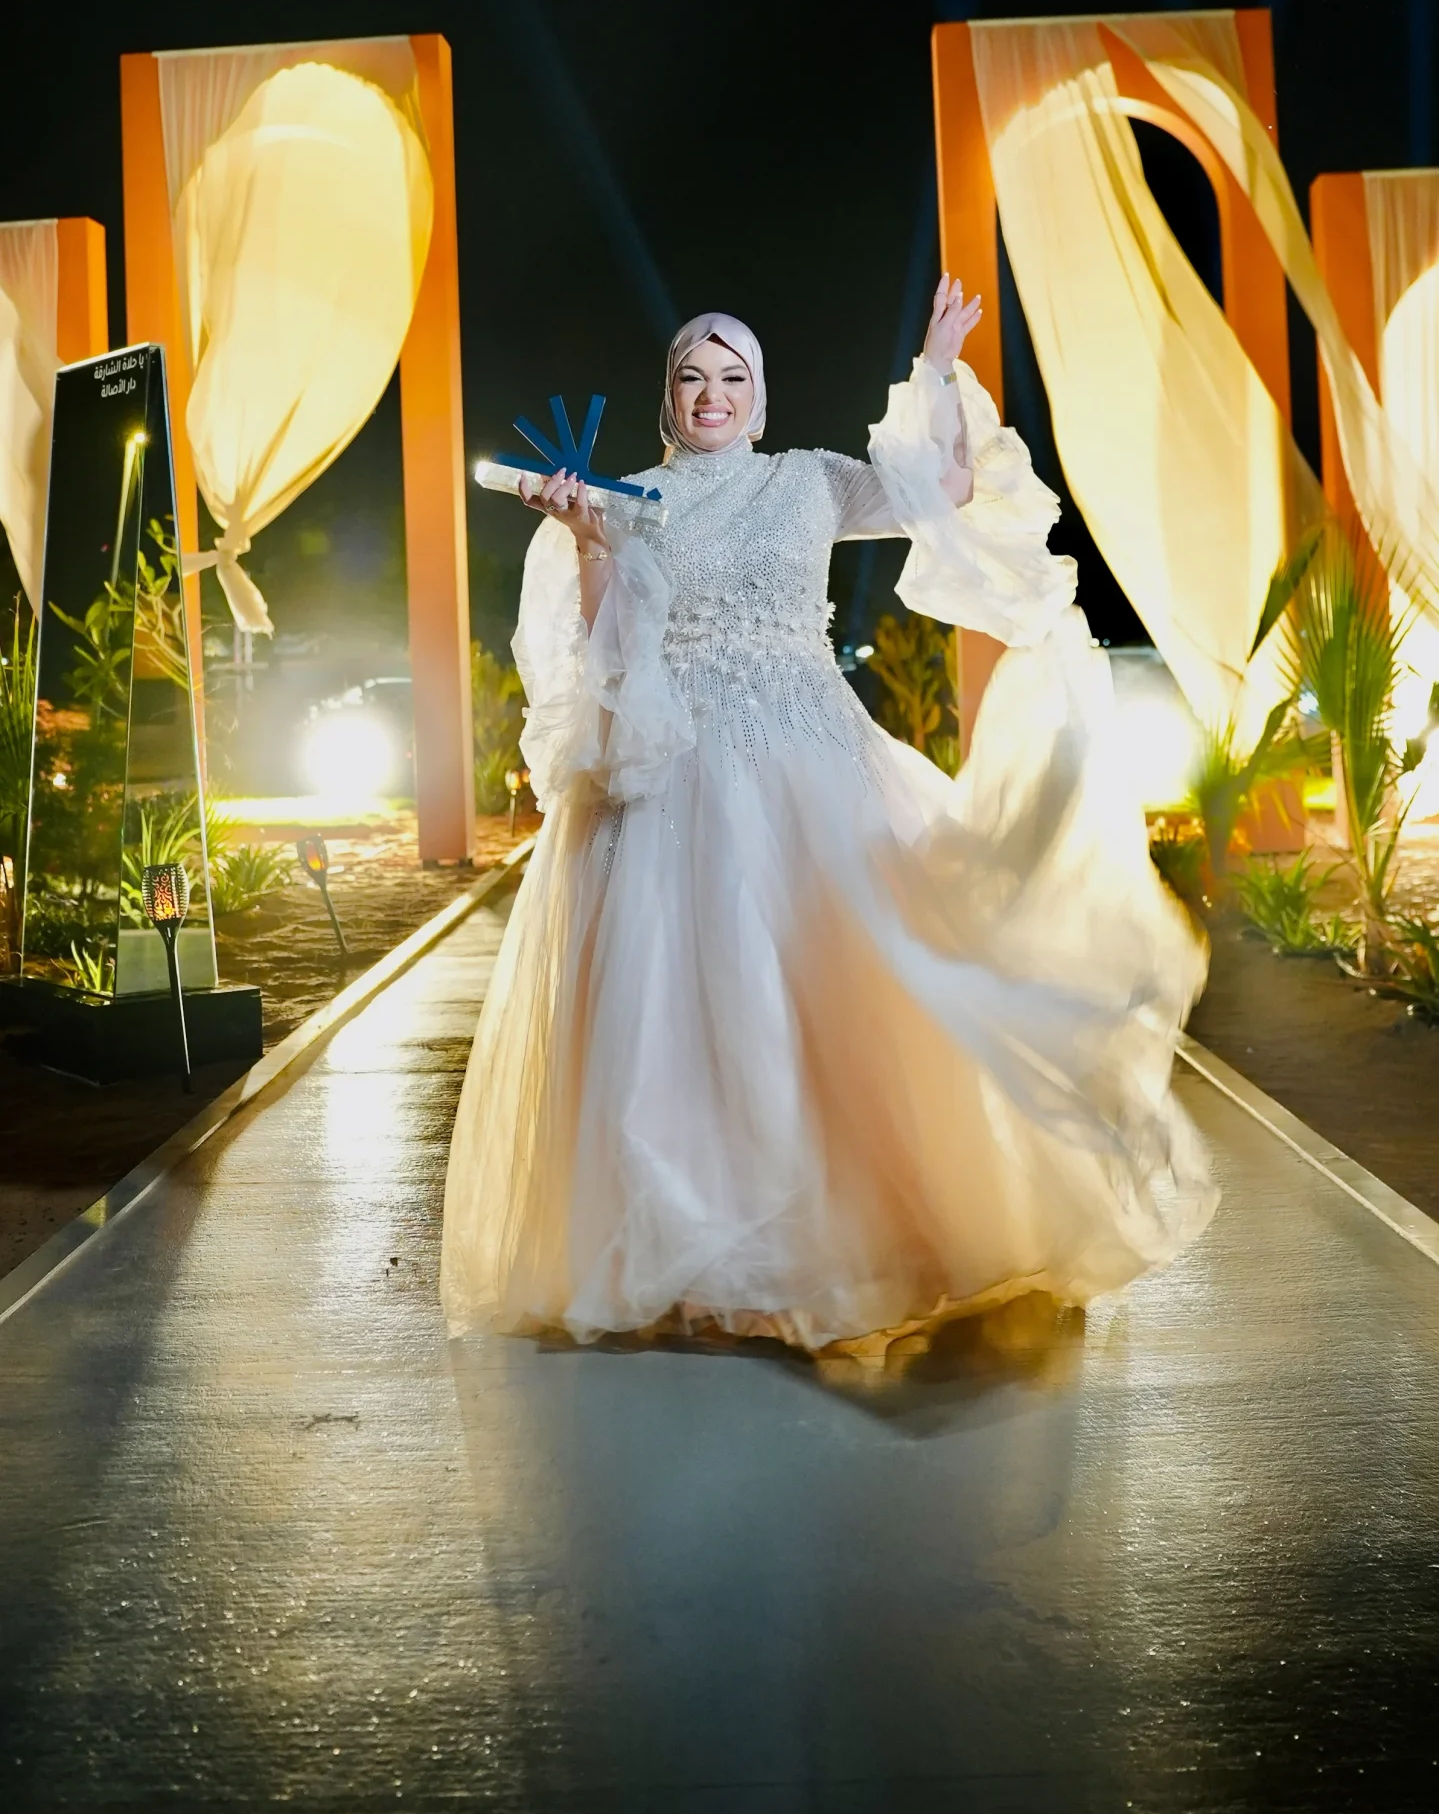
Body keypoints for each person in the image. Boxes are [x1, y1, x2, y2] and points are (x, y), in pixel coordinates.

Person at [441, 277, 1215, 1356]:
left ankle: (839, 1237)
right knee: (678, 1009)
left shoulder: (808, 479)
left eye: (732, 378)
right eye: (691, 378)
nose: (711, 395)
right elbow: (603, 643)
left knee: (841, 984)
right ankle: (702, 1261)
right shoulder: (625, 498)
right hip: (674, 771)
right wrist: (584, 540)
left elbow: (940, 487)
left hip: (811, 756)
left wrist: (933, 367)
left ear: (759, 396)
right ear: (667, 395)